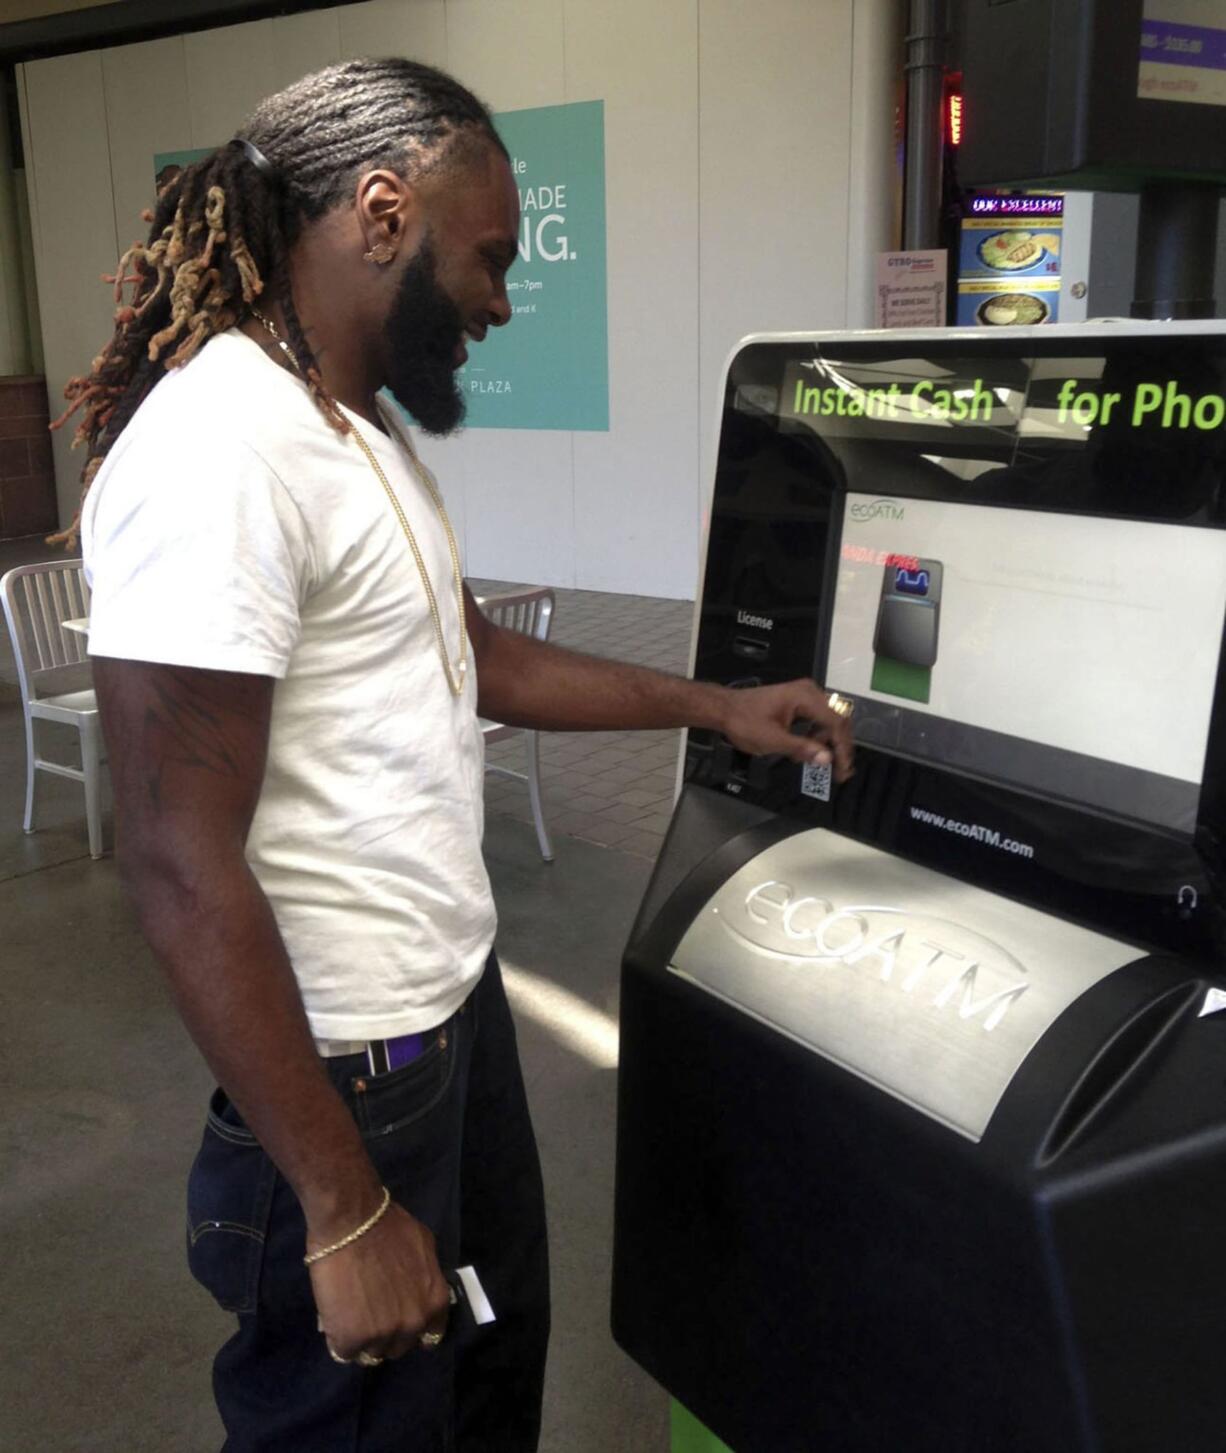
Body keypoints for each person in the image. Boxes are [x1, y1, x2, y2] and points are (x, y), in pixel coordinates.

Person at [67, 57, 855, 1453]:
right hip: (344, 1072)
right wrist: (339, 1200)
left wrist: (715, 706)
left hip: (449, 1010)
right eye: (487, 258)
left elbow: (474, 655)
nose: (499, 298)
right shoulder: (217, 452)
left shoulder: (349, 430)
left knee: (489, 1375)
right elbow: (176, 859)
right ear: (382, 212)